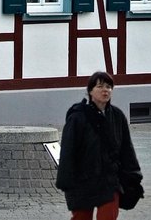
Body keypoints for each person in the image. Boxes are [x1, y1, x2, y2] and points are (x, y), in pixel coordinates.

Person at [56, 71, 143, 219]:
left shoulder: (117, 116)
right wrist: (66, 181)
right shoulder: (77, 117)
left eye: (109, 87)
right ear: (90, 91)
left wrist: (133, 176)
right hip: (82, 181)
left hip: (109, 180)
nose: (105, 90)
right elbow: (68, 151)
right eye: (100, 86)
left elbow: (126, 150)